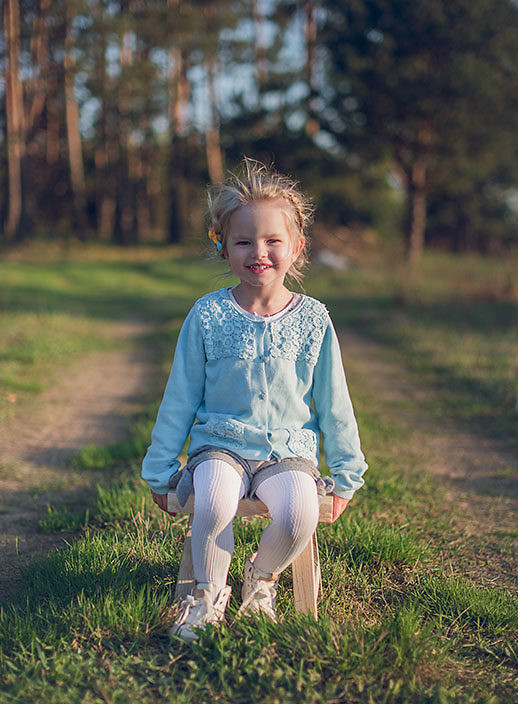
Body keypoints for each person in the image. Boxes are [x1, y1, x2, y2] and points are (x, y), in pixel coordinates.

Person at [141, 159, 367, 642]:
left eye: (272, 241)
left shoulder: (313, 320)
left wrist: (346, 475)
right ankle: (206, 596)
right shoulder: (207, 315)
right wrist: (161, 470)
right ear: (223, 246)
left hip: (286, 452)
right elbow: (179, 397)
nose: (258, 252)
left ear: (297, 247)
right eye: (244, 241)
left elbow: (335, 402)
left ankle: (261, 580)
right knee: (215, 500)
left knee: (298, 511)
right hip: (219, 445)